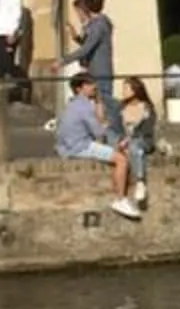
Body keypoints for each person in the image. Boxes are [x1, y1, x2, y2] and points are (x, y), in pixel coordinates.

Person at [53, 73, 145, 219]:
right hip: (79, 146)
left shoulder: (73, 104)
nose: (93, 87)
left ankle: (121, 198)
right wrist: (104, 119)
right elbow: (98, 132)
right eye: (89, 85)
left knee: (114, 149)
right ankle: (121, 199)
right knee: (121, 160)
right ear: (79, 89)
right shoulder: (84, 106)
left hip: (66, 146)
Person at [70, 0, 118, 131]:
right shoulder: (94, 25)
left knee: (105, 104)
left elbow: (87, 48)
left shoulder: (99, 24)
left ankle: (112, 135)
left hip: (100, 72)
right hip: (94, 71)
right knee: (97, 104)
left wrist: (63, 61)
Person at [114, 74, 157, 215]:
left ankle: (140, 182)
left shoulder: (146, 108)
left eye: (126, 88)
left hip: (143, 140)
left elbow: (147, 131)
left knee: (136, 146)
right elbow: (116, 128)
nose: (123, 92)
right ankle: (140, 182)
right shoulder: (120, 108)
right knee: (135, 152)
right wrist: (121, 140)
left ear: (135, 90)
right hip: (127, 144)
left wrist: (130, 139)